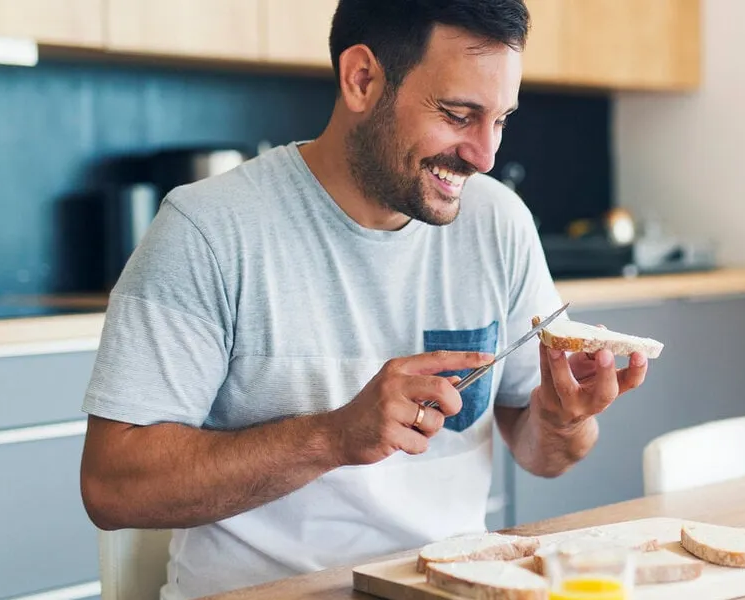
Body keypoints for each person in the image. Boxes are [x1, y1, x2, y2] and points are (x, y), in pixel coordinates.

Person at [77, 1, 650, 598]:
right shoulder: (208, 229)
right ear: (362, 79)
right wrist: (333, 436)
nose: (486, 156)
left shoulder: (497, 222)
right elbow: (112, 487)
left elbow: (544, 453)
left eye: (500, 119)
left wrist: (563, 419)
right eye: (459, 114)